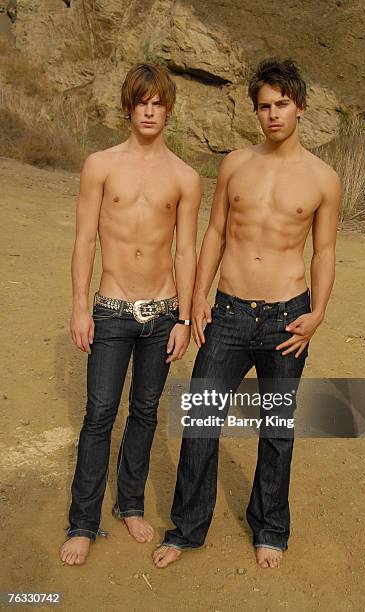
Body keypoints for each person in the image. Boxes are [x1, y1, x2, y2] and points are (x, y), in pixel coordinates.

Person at [153, 57, 341, 569]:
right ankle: (188, 529)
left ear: (300, 107)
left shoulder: (323, 179)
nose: (273, 114)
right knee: (200, 422)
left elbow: (323, 252)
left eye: (282, 104)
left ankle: (271, 528)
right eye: (264, 106)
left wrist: (318, 312)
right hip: (230, 313)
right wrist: (197, 296)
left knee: (277, 429)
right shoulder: (236, 163)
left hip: (288, 318)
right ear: (255, 112)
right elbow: (214, 233)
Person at [59, 63, 201, 566]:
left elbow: (186, 252)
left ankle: (132, 504)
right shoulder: (100, 165)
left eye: (158, 102)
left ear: (168, 109)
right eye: (142, 101)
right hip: (112, 310)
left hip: (162, 313)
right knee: (99, 414)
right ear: (128, 106)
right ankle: (83, 520)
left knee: (144, 413)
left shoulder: (186, 176)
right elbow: (84, 240)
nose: (149, 109)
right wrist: (81, 307)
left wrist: (184, 318)